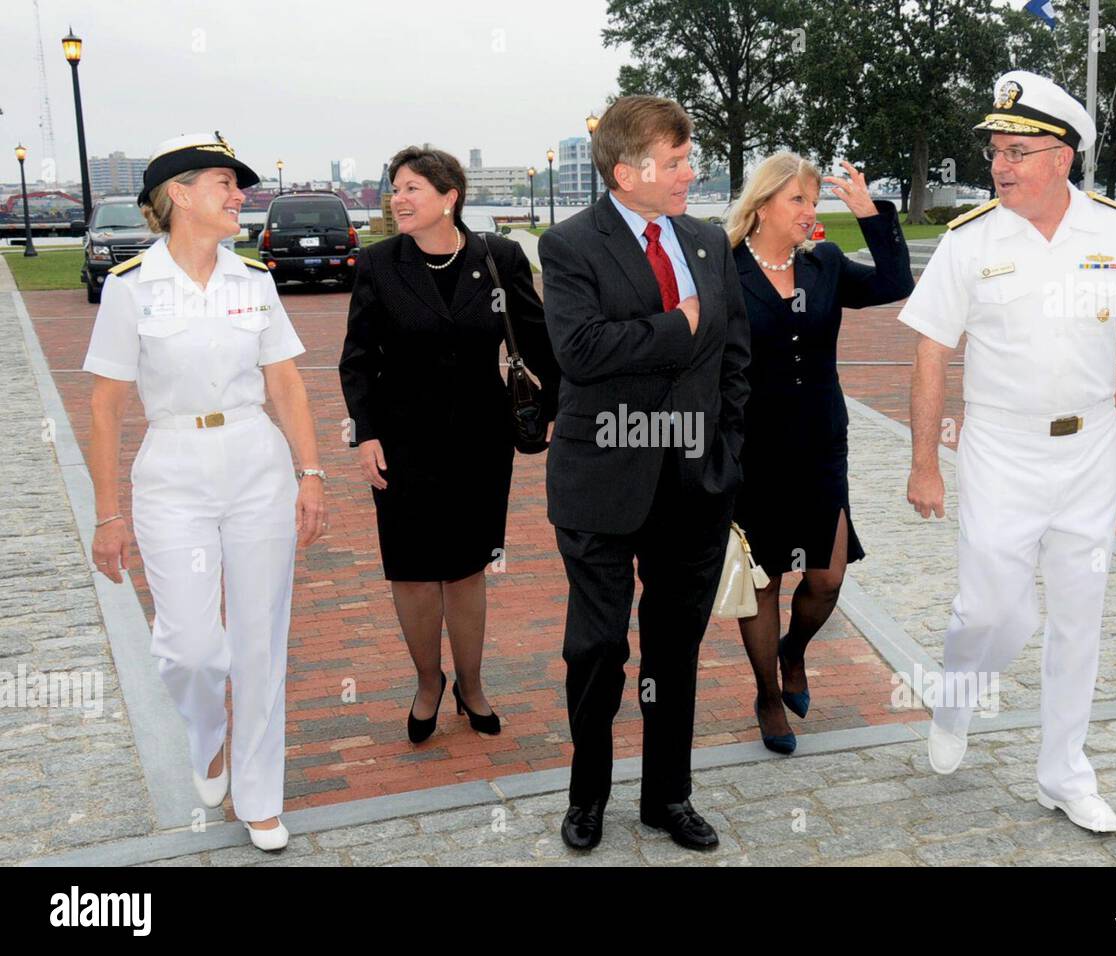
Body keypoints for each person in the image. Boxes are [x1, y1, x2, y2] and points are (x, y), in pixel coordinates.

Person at [899, 71, 1116, 833]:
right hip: (999, 447)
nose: (1001, 164)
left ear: (1062, 157)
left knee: (1079, 613)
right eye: (997, 150)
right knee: (995, 606)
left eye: (1018, 151)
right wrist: (924, 460)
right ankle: (958, 696)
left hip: (1091, 445)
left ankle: (1063, 773)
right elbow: (932, 351)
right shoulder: (970, 240)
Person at [84, 132, 326, 852]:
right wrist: (105, 515)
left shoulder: (253, 280)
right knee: (191, 648)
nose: (239, 196)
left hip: (256, 460)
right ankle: (208, 736)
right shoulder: (131, 285)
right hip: (174, 468)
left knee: (259, 640)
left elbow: (284, 380)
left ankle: (258, 798)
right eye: (225, 184)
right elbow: (105, 407)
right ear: (180, 195)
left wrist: (310, 473)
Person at [538, 95, 750, 852]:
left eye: (690, 157)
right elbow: (582, 351)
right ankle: (587, 795)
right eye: (678, 159)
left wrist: (725, 448)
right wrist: (678, 327)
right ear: (627, 172)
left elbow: (735, 358)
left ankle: (668, 796)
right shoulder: (568, 246)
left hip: (694, 483)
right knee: (596, 649)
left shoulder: (707, 243)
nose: (692, 172)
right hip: (600, 482)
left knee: (673, 649)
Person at [339, 146, 558, 744]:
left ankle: (472, 683)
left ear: (449, 198)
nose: (398, 199)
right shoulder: (380, 263)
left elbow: (537, 341)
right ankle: (427, 682)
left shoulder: (499, 258)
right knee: (411, 572)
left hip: (480, 442)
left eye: (411, 188)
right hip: (401, 443)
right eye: (395, 188)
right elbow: (356, 360)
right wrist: (366, 433)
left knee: (466, 570)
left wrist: (555, 410)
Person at [726, 152, 913, 754]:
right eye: (798, 201)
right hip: (752, 448)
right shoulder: (724, 269)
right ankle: (766, 695)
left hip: (820, 444)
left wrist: (871, 215)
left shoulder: (825, 264)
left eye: (815, 201)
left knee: (827, 578)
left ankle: (793, 652)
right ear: (762, 207)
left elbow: (894, 284)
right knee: (764, 579)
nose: (810, 213)